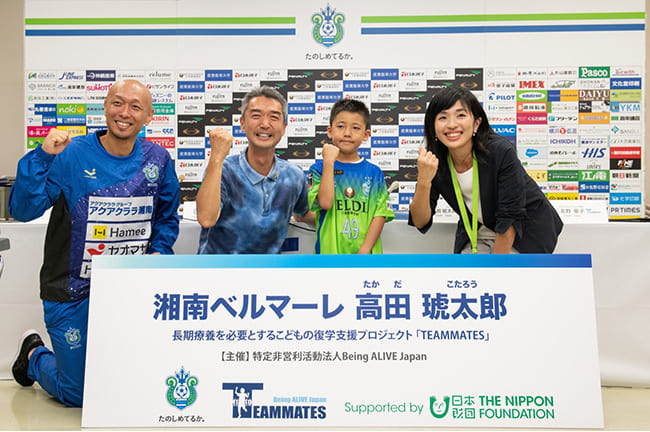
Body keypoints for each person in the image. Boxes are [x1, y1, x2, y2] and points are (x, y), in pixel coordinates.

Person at [9, 79, 180, 407]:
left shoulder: (158, 159)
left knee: (126, 383)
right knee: (78, 395)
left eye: (135, 107)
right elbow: (22, 210)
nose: (124, 113)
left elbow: (166, 217)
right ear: (105, 107)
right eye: (117, 103)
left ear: (149, 116)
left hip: (126, 291)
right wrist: (42, 156)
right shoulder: (72, 154)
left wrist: (158, 252)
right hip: (70, 291)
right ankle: (33, 354)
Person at [409, 86, 563, 253]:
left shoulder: (500, 152)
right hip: (479, 233)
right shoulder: (434, 160)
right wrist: (424, 180)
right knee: (463, 269)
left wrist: (493, 267)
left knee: (499, 270)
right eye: (442, 117)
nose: (451, 124)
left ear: (476, 123)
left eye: (461, 115)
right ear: (432, 126)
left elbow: (509, 219)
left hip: (525, 232)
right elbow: (420, 221)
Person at [196, 86, 312, 254]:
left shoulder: (293, 174)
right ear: (242, 124)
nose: (265, 124)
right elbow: (206, 218)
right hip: (220, 268)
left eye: (274, 117)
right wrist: (216, 157)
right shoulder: (223, 169)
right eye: (256, 116)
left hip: (268, 269)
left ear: (284, 127)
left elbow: (304, 213)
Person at [308, 99, 394, 254]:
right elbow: (325, 203)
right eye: (341, 126)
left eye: (355, 128)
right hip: (329, 255)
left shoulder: (374, 173)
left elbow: (381, 214)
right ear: (330, 131)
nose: (347, 133)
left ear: (366, 135)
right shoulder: (319, 169)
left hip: (365, 256)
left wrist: (365, 249)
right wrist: (329, 162)